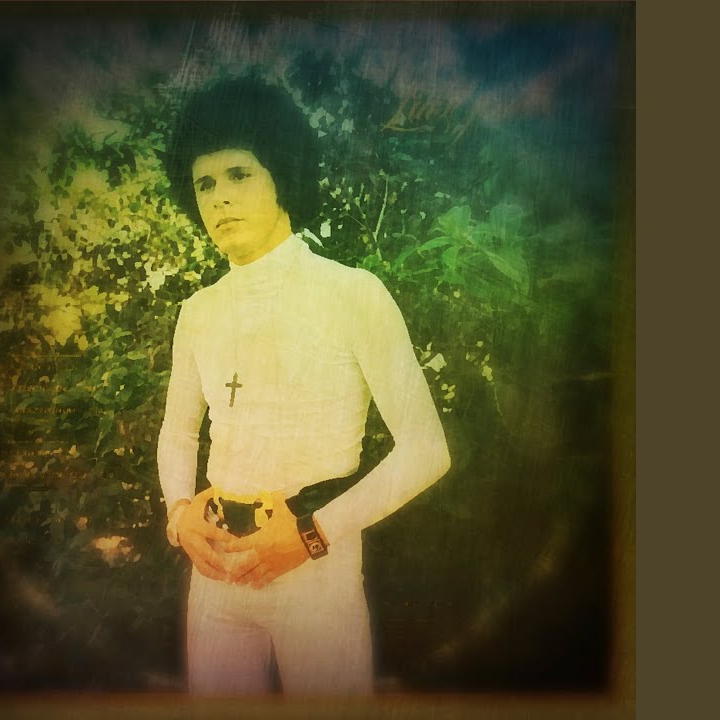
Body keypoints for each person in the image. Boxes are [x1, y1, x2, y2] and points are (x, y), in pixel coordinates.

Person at [156, 76, 451, 696]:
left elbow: (427, 450)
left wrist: (312, 535)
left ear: (282, 175)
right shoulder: (197, 312)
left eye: (239, 173)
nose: (219, 197)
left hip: (317, 573)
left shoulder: (353, 295)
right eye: (204, 183)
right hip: (216, 574)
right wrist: (179, 513)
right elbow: (179, 433)